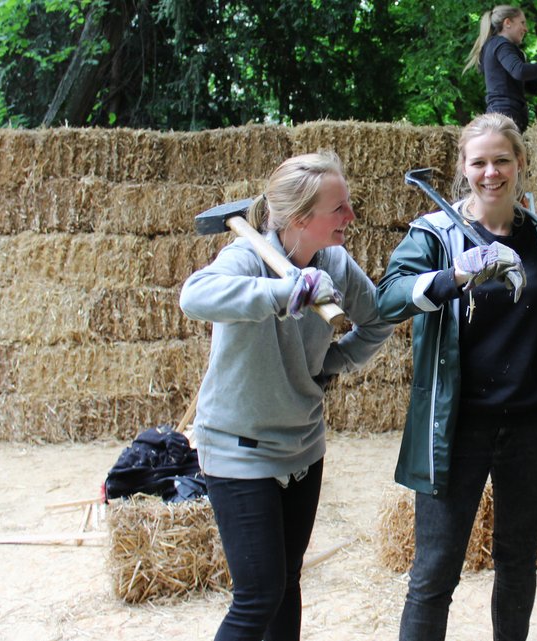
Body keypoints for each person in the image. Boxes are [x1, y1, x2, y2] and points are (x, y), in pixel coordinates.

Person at [376, 112, 537, 641]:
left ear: (521, 163)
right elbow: (387, 298)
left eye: (502, 160)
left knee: (517, 561)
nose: (491, 173)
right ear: (463, 168)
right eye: (478, 162)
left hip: (535, 425)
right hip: (455, 427)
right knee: (434, 573)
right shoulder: (436, 235)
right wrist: (455, 275)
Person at [179, 151, 393, 641]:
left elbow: (377, 318)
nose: (351, 217)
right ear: (299, 219)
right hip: (240, 449)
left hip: (303, 446)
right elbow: (194, 296)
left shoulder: (334, 262)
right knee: (257, 598)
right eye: (338, 208)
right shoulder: (247, 257)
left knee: (287, 582)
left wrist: (333, 363)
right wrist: (279, 293)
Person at [463, 5, 537, 132]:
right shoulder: (501, 44)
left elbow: (533, 87)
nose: (526, 29)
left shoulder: (498, 46)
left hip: (506, 116)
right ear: (507, 23)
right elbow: (519, 71)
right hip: (505, 116)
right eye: (522, 23)